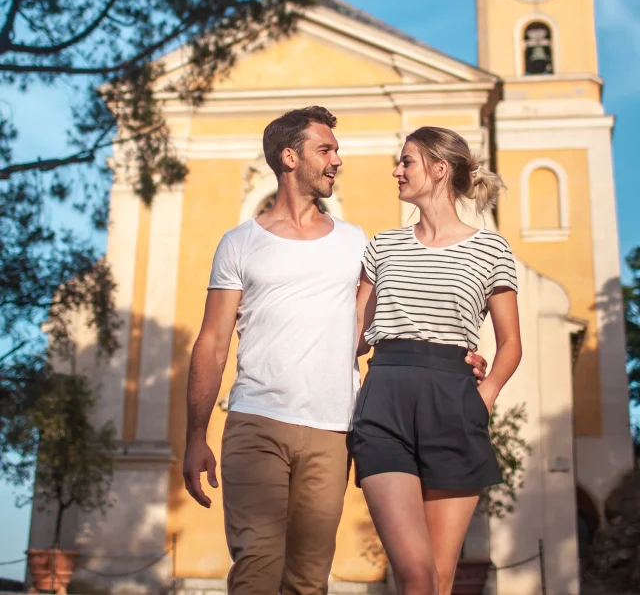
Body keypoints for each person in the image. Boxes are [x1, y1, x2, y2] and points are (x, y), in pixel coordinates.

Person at [182, 107, 488, 595]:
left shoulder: (358, 244)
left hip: (334, 429)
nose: (337, 160)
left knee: (308, 582)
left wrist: (455, 358)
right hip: (255, 421)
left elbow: (387, 326)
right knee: (257, 568)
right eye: (326, 150)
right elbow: (212, 341)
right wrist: (196, 434)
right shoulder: (239, 243)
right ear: (289, 157)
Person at [351, 126, 522, 595]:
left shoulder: (491, 248)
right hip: (383, 402)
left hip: (454, 402)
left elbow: (510, 344)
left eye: (406, 161)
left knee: (441, 578)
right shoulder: (382, 246)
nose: (396, 170)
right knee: (415, 573)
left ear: (439, 169)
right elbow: (355, 335)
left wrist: (483, 397)